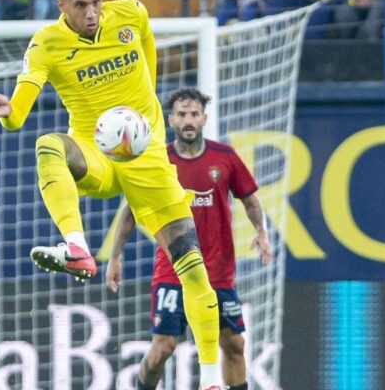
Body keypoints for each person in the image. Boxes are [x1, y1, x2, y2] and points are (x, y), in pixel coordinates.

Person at [0, 0, 226, 389]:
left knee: (193, 267)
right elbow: (18, 114)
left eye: (96, 1)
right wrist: (7, 112)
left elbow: (148, 49)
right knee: (48, 144)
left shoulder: (130, 14)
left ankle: (211, 379)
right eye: (81, 5)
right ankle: (76, 247)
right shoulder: (47, 44)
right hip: (95, 153)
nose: (92, 12)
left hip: (146, 155)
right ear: (62, 6)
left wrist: (147, 114)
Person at [105, 88, 272, 390]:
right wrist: (115, 256)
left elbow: (250, 200)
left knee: (234, 345)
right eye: (182, 114)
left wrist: (261, 231)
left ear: (204, 118)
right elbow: (130, 213)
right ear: (171, 120)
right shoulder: (159, 160)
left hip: (218, 272)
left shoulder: (226, 157)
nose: (188, 120)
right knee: (162, 349)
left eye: (194, 114)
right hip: (173, 269)